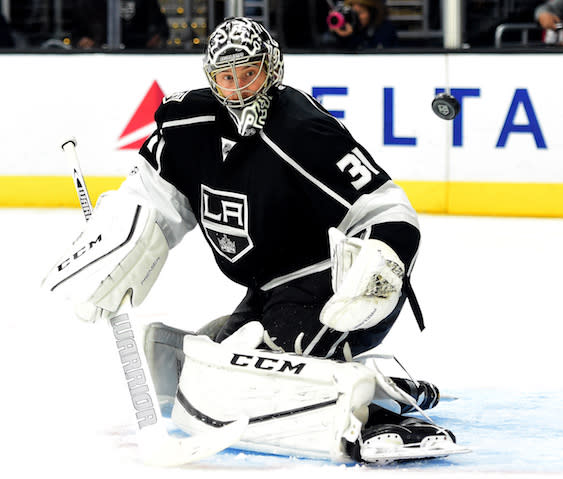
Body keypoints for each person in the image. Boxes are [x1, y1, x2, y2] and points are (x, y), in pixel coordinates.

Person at [43, 18, 461, 462]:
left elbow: (387, 209)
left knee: (275, 349)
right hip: (269, 289)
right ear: (212, 79)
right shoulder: (188, 125)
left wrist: (380, 265)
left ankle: (376, 408)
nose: (239, 88)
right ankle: (390, 382)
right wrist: (116, 243)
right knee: (208, 360)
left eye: (249, 72)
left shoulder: (302, 129)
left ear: (273, 69)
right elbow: (150, 194)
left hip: (340, 289)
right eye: (227, 76)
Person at [72, 0, 169, 49]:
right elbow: (75, 32)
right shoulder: (87, 3)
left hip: (138, 53)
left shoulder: (145, 1)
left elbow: (160, 27)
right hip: (99, 54)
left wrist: (157, 37)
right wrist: (81, 40)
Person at [326, 0, 398, 49]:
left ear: (371, 13)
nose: (356, 17)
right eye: (353, 13)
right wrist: (341, 36)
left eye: (360, 13)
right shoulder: (343, 28)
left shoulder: (385, 29)